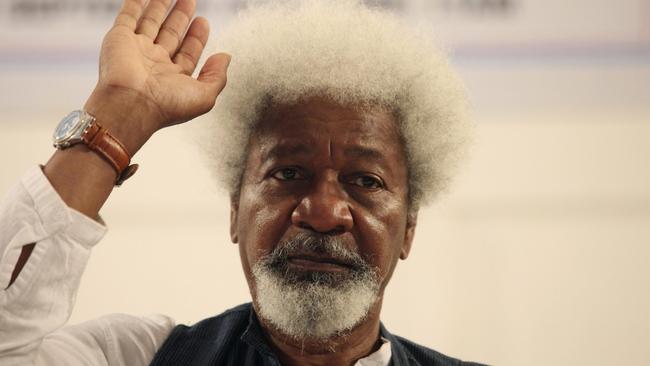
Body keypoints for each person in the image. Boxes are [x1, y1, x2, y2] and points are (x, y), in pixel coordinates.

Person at [0, 0, 484, 365]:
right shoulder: (139, 357)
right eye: (288, 173)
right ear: (235, 210)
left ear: (409, 228)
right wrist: (113, 122)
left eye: (365, 180)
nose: (322, 212)